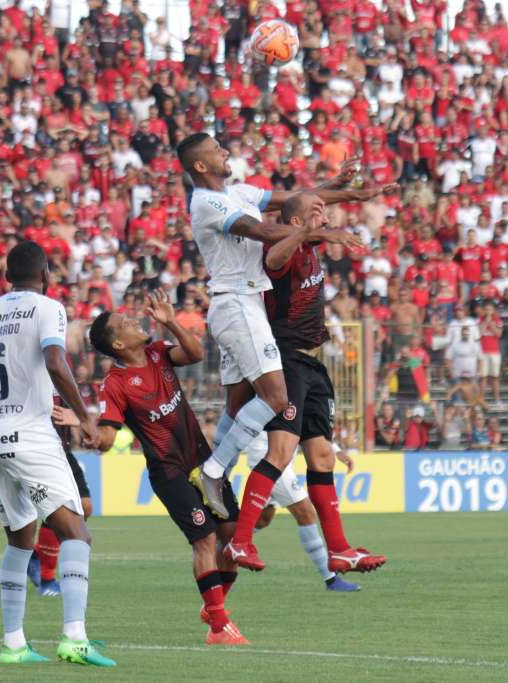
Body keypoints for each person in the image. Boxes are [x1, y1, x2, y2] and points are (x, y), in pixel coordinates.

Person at [175, 132, 383, 572]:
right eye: (217, 150)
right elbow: (267, 230)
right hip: (237, 301)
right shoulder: (207, 204)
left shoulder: (239, 192)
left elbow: (296, 200)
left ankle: (220, 484)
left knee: (240, 405)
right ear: (199, 165)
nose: (225, 152)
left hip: (244, 305)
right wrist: (322, 230)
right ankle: (213, 472)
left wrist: (350, 191)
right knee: (276, 400)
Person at [0, 241, 115, 666]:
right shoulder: (46, 307)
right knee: (77, 532)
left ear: (5, 278)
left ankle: (14, 644)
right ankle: (74, 637)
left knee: (20, 541)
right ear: (46, 275)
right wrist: (85, 415)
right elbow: (55, 362)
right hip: (32, 435)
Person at [217, 191, 386, 573]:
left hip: (313, 365)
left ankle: (340, 549)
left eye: (323, 211)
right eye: (314, 212)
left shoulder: (308, 246)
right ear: (295, 223)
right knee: (279, 453)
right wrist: (317, 234)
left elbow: (311, 208)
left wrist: (337, 202)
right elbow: (273, 259)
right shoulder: (284, 249)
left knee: (323, 456)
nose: (322, 215)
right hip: (285, 359)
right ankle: (241, 543)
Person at [88, 290, 248, 645]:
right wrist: (88, 431)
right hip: (169, 472)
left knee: (233, 539)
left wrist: (172, 321)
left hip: (205, 463)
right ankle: (219, 627)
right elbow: (108, 437)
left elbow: (195, 353)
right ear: (117, 343)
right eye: (124, 323)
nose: (134, 319)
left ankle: (214, 606)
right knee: (205, 538)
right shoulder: (115, 384)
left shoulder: (158, 353)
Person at [244, 433, 362, 591]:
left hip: (279, 458)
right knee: (306, 513)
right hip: (269, 459)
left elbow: (308, 425)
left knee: (263, 518)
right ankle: (331, 579)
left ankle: (221, 544)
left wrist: (335, 449)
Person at [26, 402, 95, 598]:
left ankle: (39, 554)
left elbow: (74, 407)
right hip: (42, 451)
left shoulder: (63, 376)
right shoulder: (38, 374)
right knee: (56, 510)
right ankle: (47, 580)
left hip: (63, 451)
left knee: (85, 506)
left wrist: (80, 423)